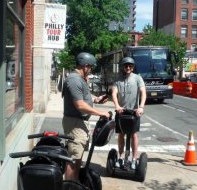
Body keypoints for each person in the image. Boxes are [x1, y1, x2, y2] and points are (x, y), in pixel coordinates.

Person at [62, 52, 110, 181]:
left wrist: (96, 99)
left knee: (78, 158)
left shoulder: (80, 80)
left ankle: (75, 183)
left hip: (79, 123)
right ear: (85, 66)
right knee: (73, 159)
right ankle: (70, 186)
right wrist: (100, 113)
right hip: (75, 124)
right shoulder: (74, 80)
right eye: (90, 68)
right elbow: (80, 105)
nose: (90, 71)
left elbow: (84, 98)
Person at [111, 57, 146, 170]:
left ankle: (134, 158)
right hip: (121, 111)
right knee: (121, 134)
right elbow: (114, 93)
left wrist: (141, 107)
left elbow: (143, 93)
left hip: (134, 112)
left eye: (130, 66)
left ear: (133, 67)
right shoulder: (118, 80)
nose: (128, 67)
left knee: (133, 135)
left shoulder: (137, 78)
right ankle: (121, 156)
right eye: (126, 65)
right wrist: (116, 105)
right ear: (123, 67)